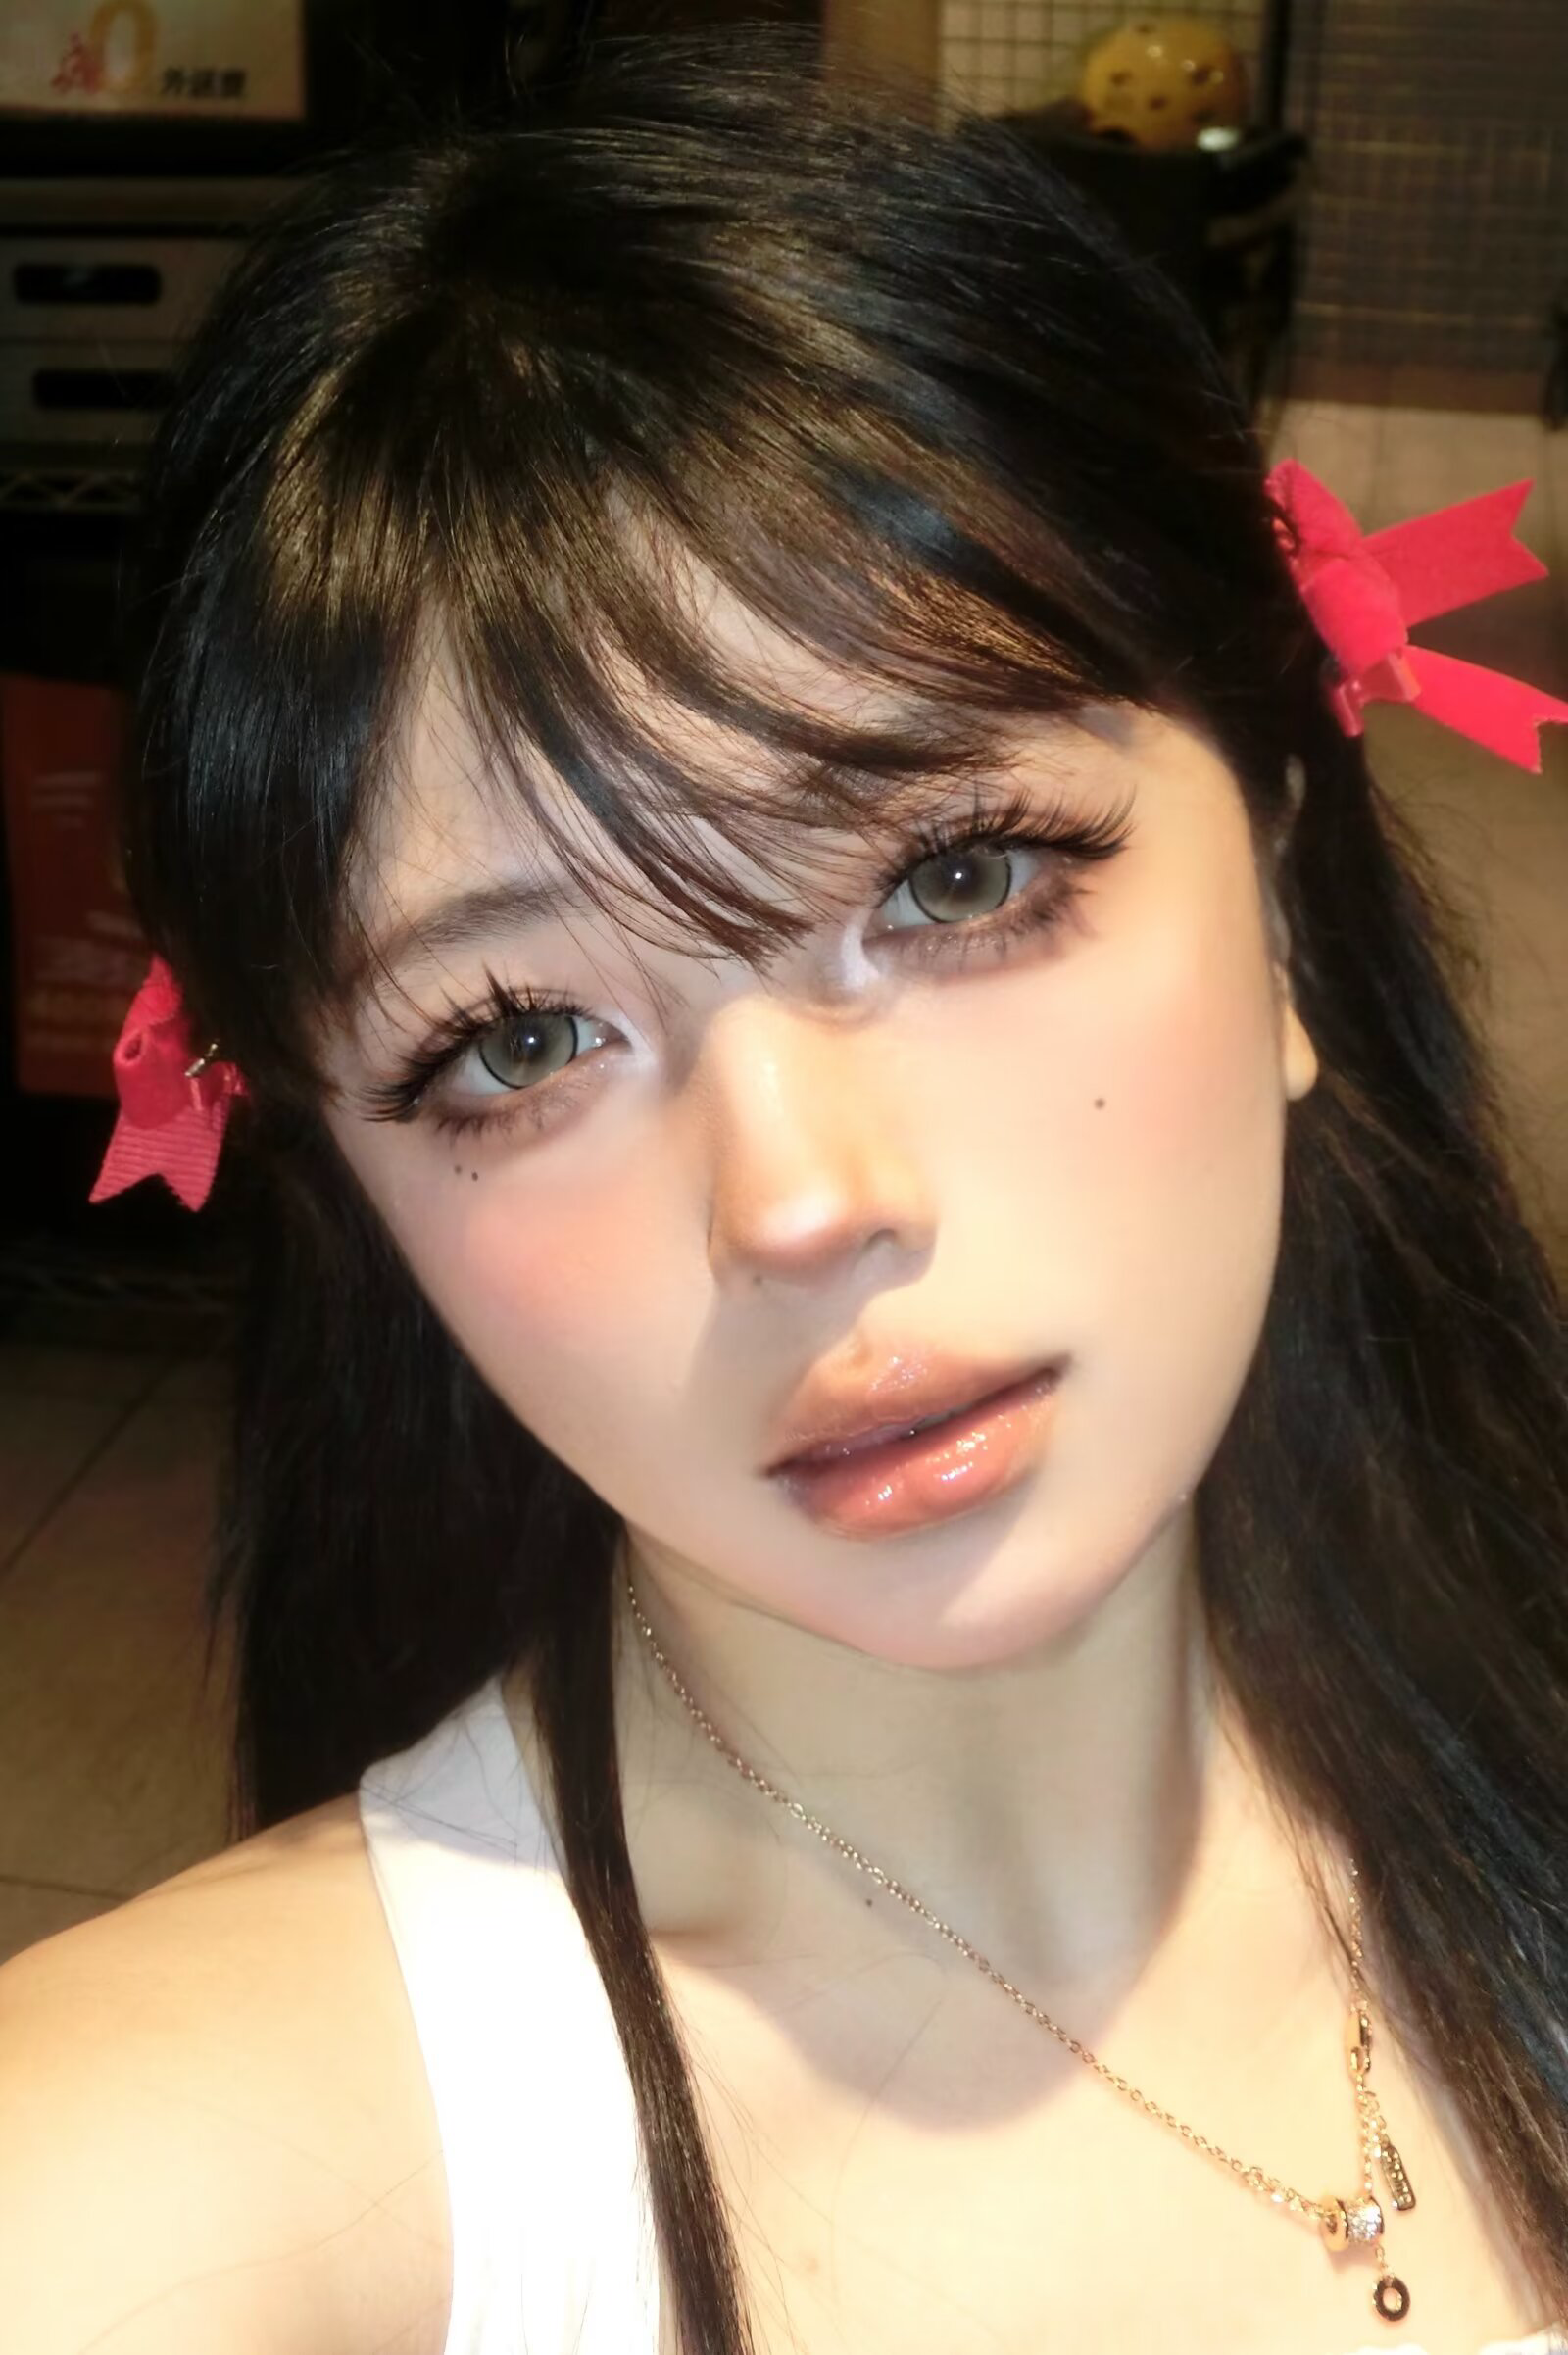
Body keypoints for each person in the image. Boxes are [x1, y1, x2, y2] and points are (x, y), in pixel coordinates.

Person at [3, 25, 1567, 2355]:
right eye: (517, 1041)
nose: (802, 1200)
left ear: (1275, 893)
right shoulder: (168, 2197)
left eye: (953, 877)